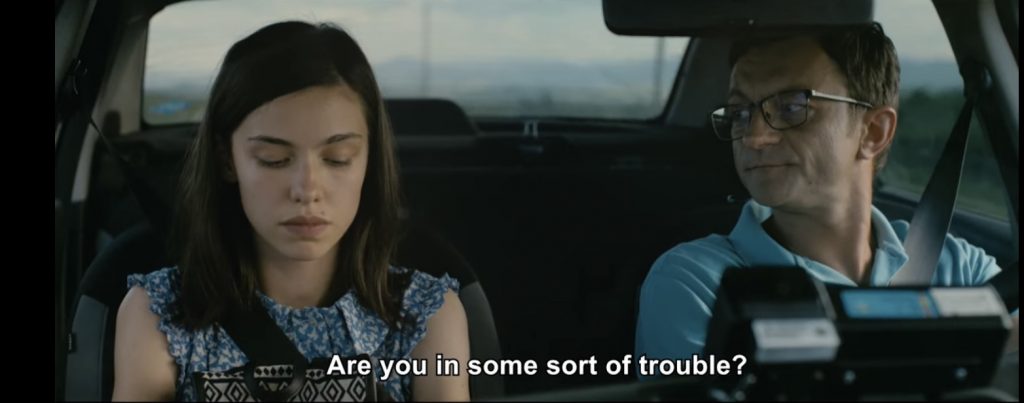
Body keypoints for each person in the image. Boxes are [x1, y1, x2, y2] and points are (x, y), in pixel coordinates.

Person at [112, 21, 470, 401]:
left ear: (369, 159)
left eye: (338, 158)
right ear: (227, 160)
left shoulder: (423, 316)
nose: (307, 191)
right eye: (274, 159)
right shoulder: (160, 315)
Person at [635, 23, 1016, 373]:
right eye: (740, 113)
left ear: (873, 132)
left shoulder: (957, 266)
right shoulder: (696, 281)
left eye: (791, 107)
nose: (754, 138)